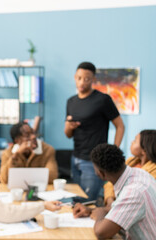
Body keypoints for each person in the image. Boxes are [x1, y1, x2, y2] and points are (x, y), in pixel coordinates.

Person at [64, 61, 125, 200]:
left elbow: (120, 126)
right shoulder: (71, 102)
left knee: (87, 201)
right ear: (75, 77)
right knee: (76, 200)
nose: (82, 82)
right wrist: (68, 127)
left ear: (93, 79)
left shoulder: (102, 100)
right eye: (79, 78)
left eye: (87, 79)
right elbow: (68, 135)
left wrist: (114, 150)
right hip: (76, 158)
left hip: (93, 162)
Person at [73, 144, 156, 240]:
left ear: (101, 174)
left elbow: (101, 233)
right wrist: (91, 210)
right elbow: (122, 207)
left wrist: (100, 216)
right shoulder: (139, 173)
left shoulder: (133, 192)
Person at [104, 129, 156, 206]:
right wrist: (109, 199)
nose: (132, 142)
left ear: (144, 150)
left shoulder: (153, 170)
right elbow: (110, 182)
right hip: (115, 204)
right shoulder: (130, 161)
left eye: (135, 141)